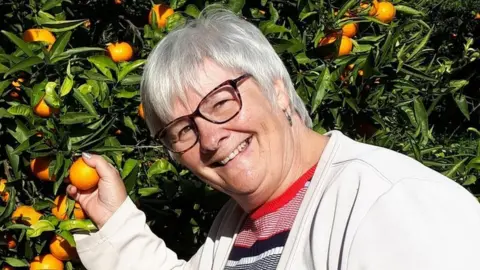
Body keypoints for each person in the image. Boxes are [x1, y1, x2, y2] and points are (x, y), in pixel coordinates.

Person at [68, 8, 480, 270]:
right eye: (183, 130)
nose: (210, 138)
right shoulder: (236, 229)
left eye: (220, 101)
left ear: (277, 90)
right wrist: (117, 219)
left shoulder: (389, 203)